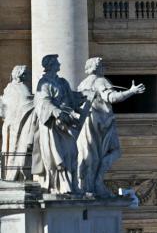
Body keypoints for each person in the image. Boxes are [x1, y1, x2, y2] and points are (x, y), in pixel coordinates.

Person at [76, 57, 145, 196]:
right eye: (102, 65)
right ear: (96, 67)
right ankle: (97, 182)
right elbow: (111, 97)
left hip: (85, 122)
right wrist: (131, 91)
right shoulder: (101, 81)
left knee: (89, 154)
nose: (104, 68)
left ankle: (86, 185)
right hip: (102, 123)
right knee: (114, 151)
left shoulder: (82, 84)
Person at [33, 55, 84, 194]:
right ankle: (60, 186)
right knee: (57, 155)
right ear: (51, 65)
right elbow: (42, 101)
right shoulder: (44, 83)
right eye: (57, 62)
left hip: (65, 123)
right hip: (52, 124)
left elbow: (71, 98)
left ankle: (72, 185)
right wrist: (56, 111)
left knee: (72, 152)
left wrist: (84, 96)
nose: (59, 63)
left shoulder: (63, 82)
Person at [0, 66, 37, 181]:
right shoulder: (20, 88)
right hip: (17, 125)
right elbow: (27, 102)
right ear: (21, 75)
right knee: (17, 149)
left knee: (12, 150)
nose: (30, 77)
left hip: (11, 124)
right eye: (27, 74)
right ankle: (15, 175)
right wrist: (40, 101)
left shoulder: (8, 88)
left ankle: (10, 174)